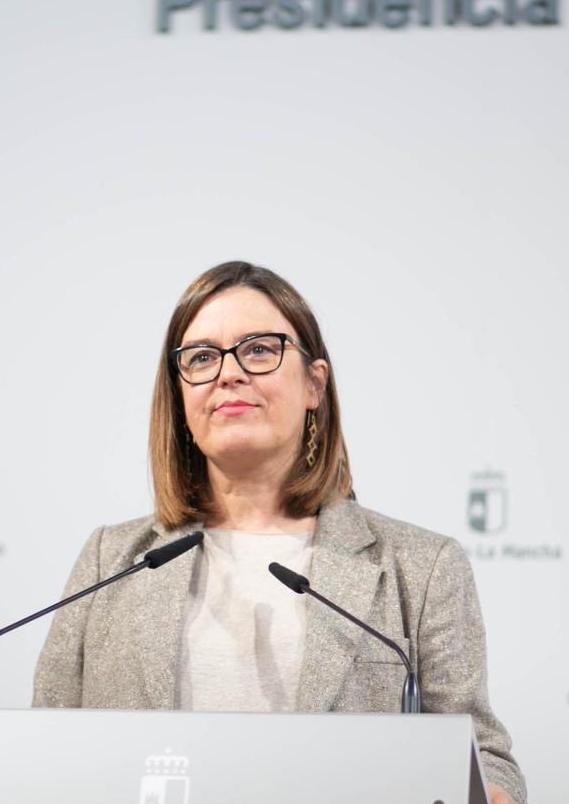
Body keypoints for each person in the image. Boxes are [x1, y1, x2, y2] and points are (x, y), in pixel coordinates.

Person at [32, 261, 526, 804]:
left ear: (314, 383)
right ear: (181, 400)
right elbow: (47, 746)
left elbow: (483, 755)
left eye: (259, 350)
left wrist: (495, 792)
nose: (228, 373)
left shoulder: (422, 566)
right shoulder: (110, 560)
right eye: (201, 357)